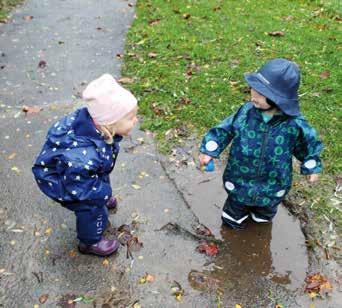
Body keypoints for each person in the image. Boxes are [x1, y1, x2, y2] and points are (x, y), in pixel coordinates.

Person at [199, 58, 323, 230]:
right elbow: (224, 129)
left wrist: (311, 166)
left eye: (261, 93)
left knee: (264, 216)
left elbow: (307, 146)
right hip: (240, 179)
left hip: (273, 184)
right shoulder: (246, 113)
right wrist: (210, 149)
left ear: (278, 99)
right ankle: (233, 227)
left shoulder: (294, 125)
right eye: (253, 89)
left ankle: (260, 225)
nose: (253, 95)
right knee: (233, 214)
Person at [32, 74, 138, 256]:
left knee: (98, 181)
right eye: (130, 118)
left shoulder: (97, 127)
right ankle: (90, 242)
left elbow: (93, 171)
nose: (135, 121)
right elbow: (81, 189)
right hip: (67, 182)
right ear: (110, 123)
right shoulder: (82, 158)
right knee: (90, 207)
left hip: (85, 173)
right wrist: (99, 195)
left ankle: (101, 197)